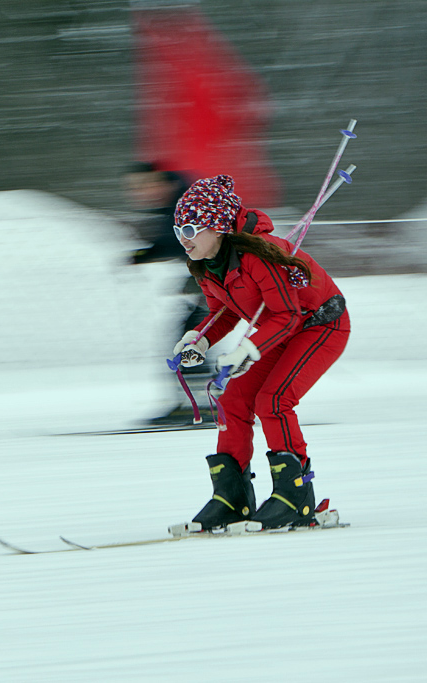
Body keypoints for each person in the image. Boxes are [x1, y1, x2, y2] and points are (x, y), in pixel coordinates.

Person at [169, 175, 349, 529]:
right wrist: (199, 339)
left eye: (190, 228)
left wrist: (248, 349)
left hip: (320, 324)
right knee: (233, 400)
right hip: (278, 330)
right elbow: (226, 311)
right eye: (178, 231)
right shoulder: (207, 265)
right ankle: (232, 498)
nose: (184, 239)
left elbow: (288, 313)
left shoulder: (257, 256)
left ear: (217, 228)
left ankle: (295, 497)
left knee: (274, 400)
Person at [122, 162, 212, 426]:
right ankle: (200, 403)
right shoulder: (180, 203)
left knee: (192, 339)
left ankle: (202, 405)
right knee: (194, 339)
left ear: (165, 183)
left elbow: (183, 241)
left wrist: (145, 254)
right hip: (214, 281)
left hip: (224, 280)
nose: (139, 193)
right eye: (133, 188)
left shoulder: (188, 204)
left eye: (145, 186)